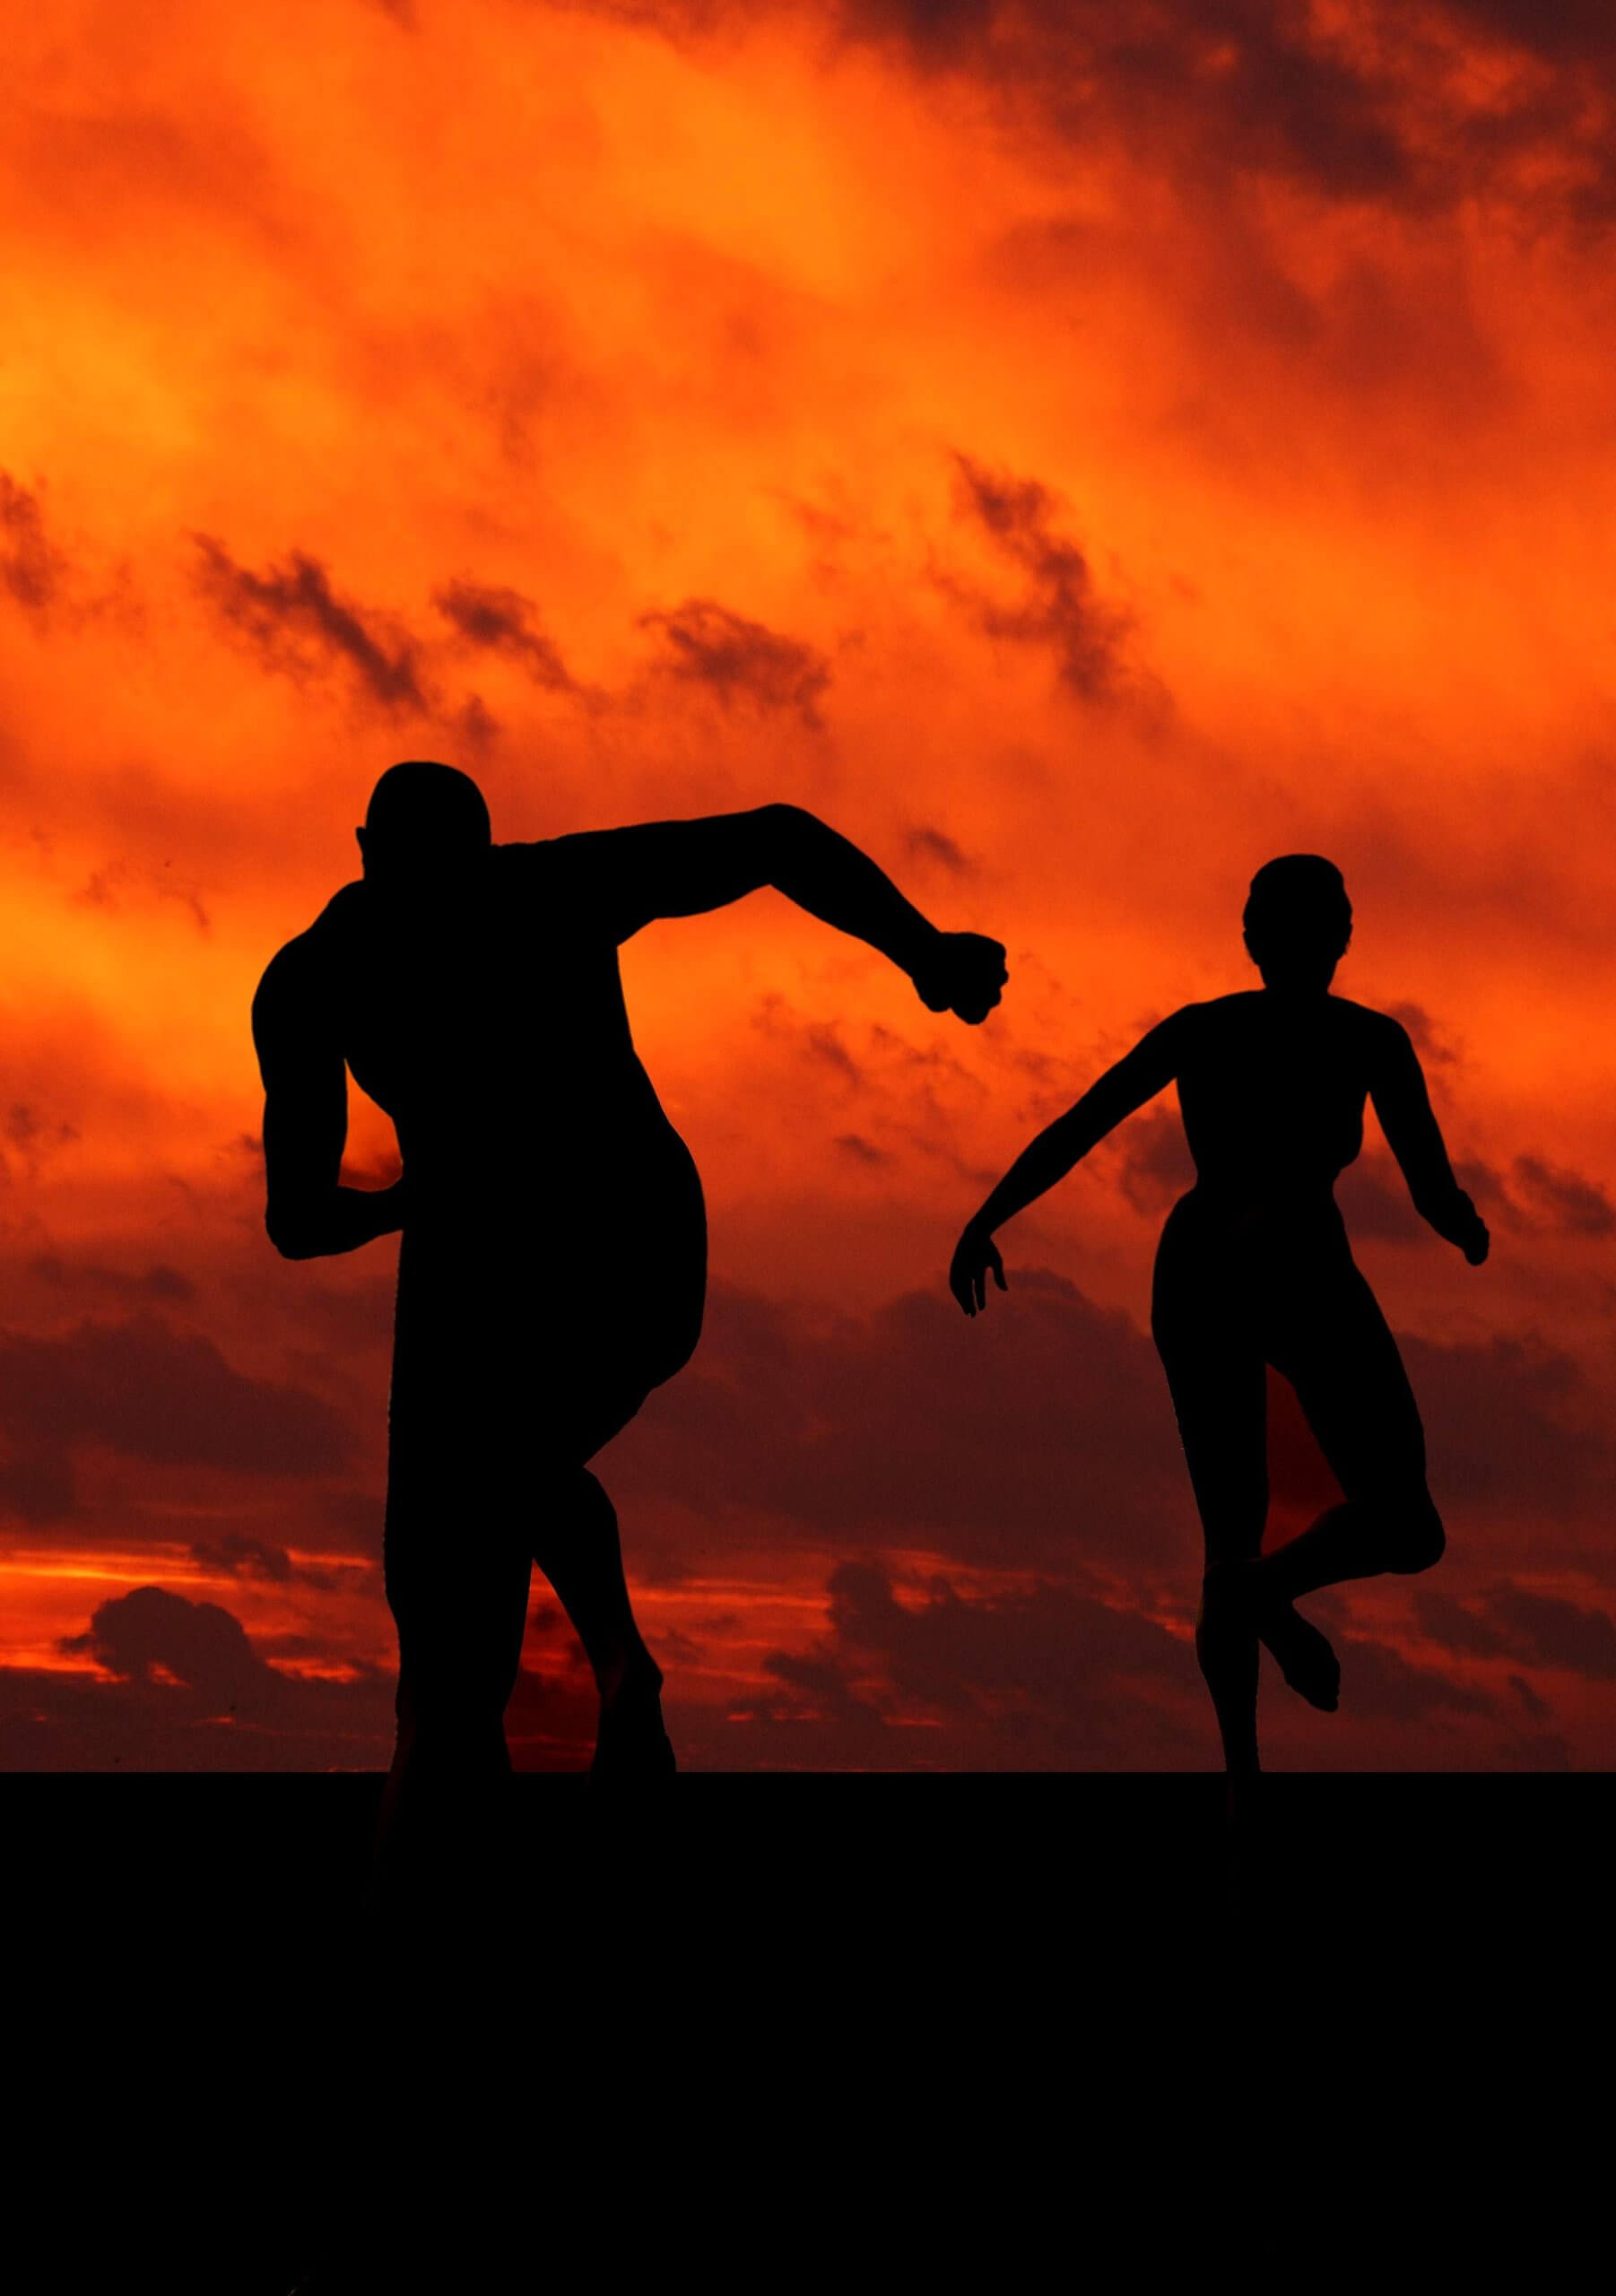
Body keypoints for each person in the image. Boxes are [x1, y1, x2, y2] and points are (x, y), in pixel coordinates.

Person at [252, 761, 1007, 1856]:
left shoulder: (551, 889)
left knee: (504, 1478)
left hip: (624, 1243)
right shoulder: (317, 980)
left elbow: (777, 836)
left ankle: (602, 1673)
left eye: (458, 879)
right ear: (367, 856)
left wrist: (921, 950)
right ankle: (572, 1706)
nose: (449, 918)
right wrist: (418, 1200)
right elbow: (295, 1220)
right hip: (470, 1268)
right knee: (445, 1641)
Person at [948, 855, 1488, 1779]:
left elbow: (1081, 1125)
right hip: (1279, 1269)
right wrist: (1465, 1230)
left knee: (1355, 1530)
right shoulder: (1356, 1039)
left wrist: (986, 1217)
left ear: (1256, 940)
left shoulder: (1257, 1034)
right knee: (1390, 1526)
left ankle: (1255, 1608)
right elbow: (1431, 1190)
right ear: (1332, 940)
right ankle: (1247, 1724)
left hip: (1214, 1264)